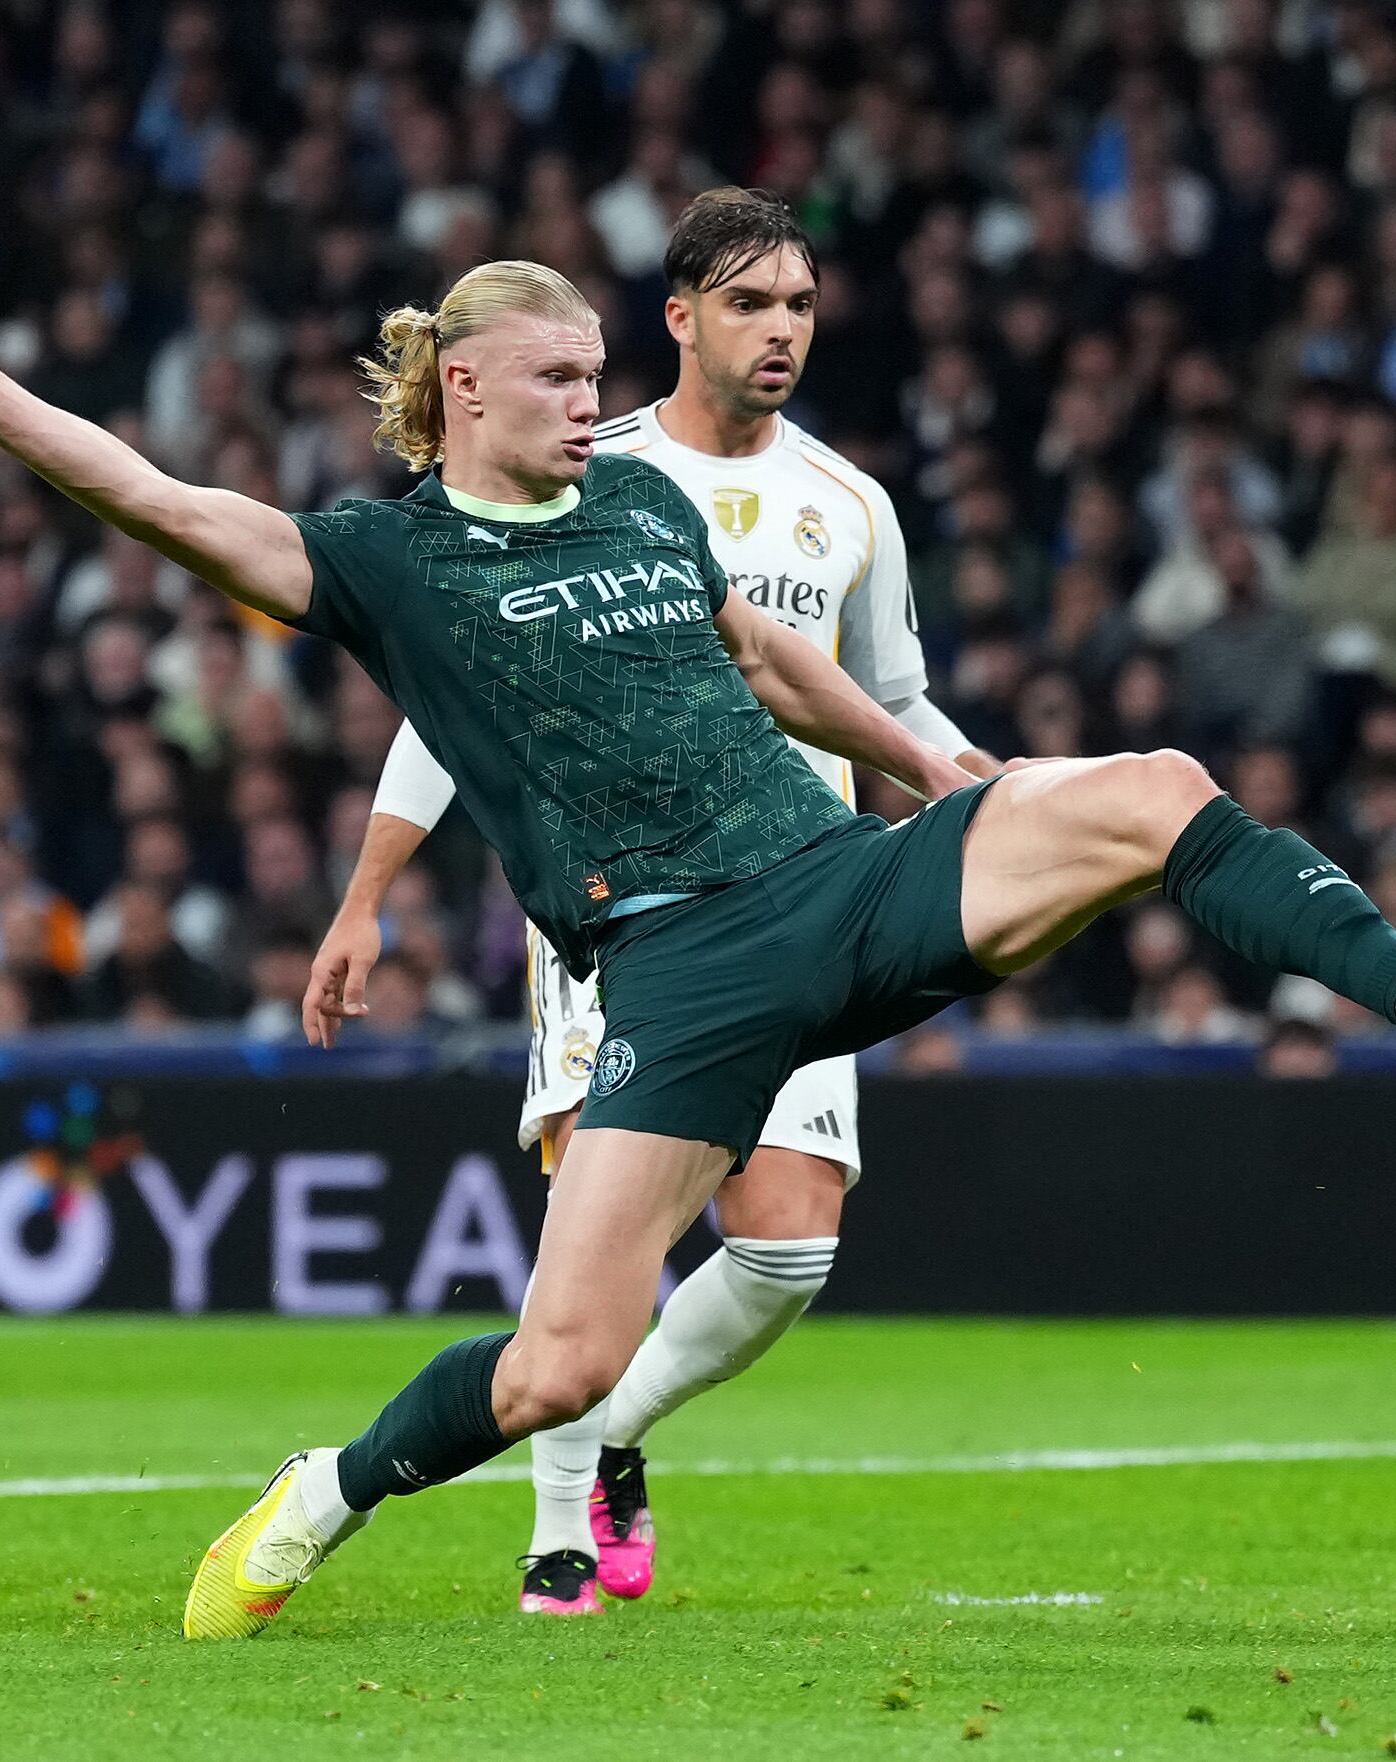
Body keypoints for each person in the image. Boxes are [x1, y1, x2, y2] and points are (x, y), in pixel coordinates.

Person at [0, 245, 1396, 1646]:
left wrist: (950, 776)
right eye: (563, 379)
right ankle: (324, 1492)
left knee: (1150, 788)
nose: (596, 406)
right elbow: (164, 503)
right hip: (673, 974)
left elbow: (775, 664)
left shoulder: (647, 506)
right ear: (463, 385)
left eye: (599, 375)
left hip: (838, 881)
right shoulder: (387, 559)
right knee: (556, 1367)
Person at [334, 191, 999, 1617]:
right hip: (616, 902)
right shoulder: (582, 466)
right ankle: (558, 1527)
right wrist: (367, 893)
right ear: (679, 316)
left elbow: (880, 698)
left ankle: (616, 1428)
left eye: (802, 307)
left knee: (786, 1245)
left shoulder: (849, 505)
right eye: (752, 304)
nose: (782, 332)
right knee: (600, 1235)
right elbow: (440, 698)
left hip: (801, 890)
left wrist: (959, 785)